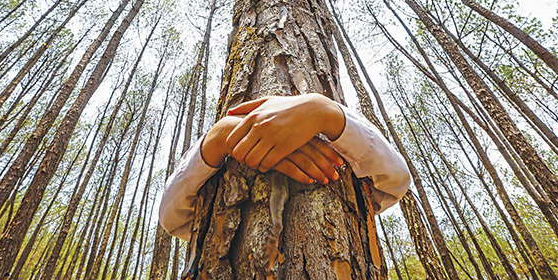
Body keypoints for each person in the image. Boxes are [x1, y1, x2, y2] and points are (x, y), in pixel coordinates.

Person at [159, 93, 411, 240]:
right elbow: (172, 218)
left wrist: (324, 111)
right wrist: (218, 137)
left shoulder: (346, 127)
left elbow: (395, 179)